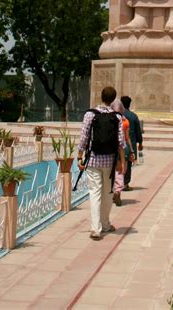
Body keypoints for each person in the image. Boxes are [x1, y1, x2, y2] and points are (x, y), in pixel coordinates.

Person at [77, 86, 125, 240]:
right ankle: (105, 224)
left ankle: (96, 229)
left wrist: (79, 157)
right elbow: (121, 142)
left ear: (101, 96)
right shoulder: (117, 117)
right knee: (107, 193)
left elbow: (84, 138)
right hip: (110, 161)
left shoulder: (90, 115)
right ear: (114, 99)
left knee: (95, 193)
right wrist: (122, 161)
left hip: (93, 159)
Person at [110, 98, 134, 206]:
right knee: (120, 171)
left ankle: (110, 191)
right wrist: (132, 150)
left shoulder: (109, 118)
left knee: (110, 171)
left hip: (109, 149)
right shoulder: (124, 121)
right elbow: (127, 138)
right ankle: (118, 191)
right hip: (121, 149)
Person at [120, 95, 143, 190]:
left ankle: (118, 183)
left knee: (119, 163)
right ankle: (125, 184)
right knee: (128, 164)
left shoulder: (117, 115)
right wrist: (140, 143)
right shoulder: (133, 116)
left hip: (119, 144)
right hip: (130, 144)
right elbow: (138, 131)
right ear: (129, 104)